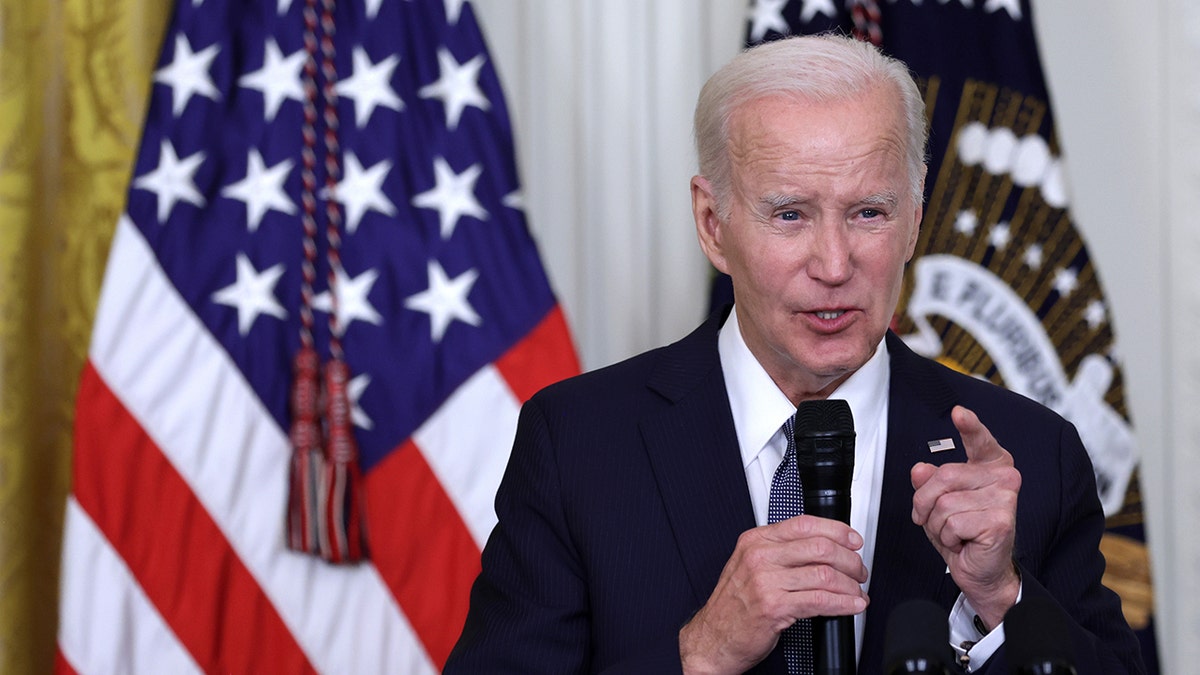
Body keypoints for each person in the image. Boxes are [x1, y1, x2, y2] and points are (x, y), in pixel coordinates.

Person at [444, 34, 1144, 674]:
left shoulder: (1031, 455)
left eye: (868, 211)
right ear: (713, 224)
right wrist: (700, 653)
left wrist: (1001, 595)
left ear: (914, 221)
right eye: (790, 214)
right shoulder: (579, 445)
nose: (834, 264)